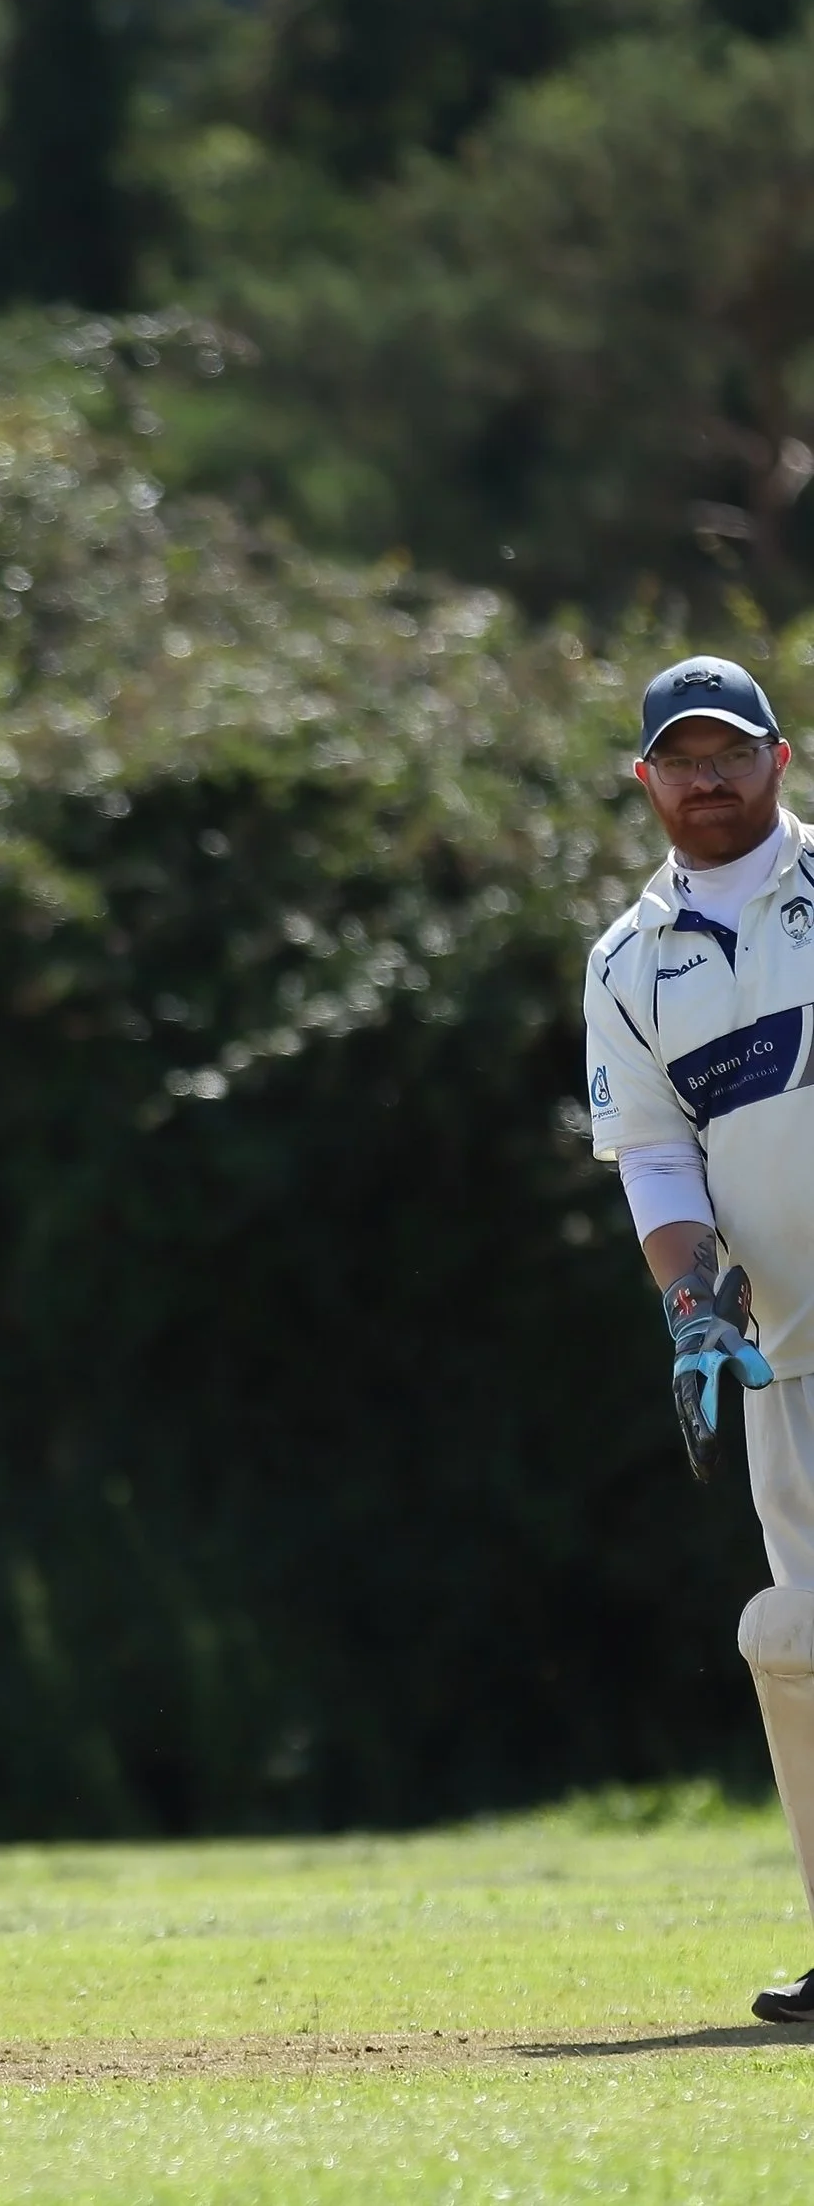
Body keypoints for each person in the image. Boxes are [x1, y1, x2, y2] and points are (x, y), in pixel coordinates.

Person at [583, 653, 814, 2025]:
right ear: (647, 778)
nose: (710, 775)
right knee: (796, 1635)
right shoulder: (627, 962)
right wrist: (692, 1309)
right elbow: (659, 1168)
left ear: (781, 759)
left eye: (734, 751)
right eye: (685, 756)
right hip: (788, 1353)